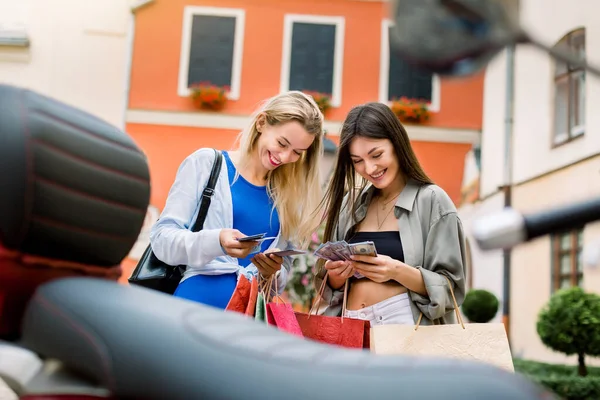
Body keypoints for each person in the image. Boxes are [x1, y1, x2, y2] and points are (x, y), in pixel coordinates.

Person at [150, 91, 324, 308]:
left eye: (297, 152)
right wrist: (217, 241)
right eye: (282, 143)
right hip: (194, 309)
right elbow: (162, 240)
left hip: (247, 322)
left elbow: (281, 278)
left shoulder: (288, 196)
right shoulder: (206, 164)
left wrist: (273, 272)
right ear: (261, 122)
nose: (285, 157)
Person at [314, 102, 466, 326]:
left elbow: (452, 288)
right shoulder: (350, 204)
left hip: (404, 326)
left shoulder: (432, 200)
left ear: (397, 144)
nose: (369, 168)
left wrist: (397, 271)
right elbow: (328, 288)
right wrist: (336, 277)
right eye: (357, 161)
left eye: (376, 155)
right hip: (352, 327)